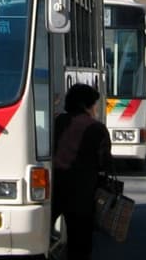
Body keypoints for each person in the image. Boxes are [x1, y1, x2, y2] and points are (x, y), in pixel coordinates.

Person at [52, 83, 112, 260]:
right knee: (80, 243)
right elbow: (104, 163)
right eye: (94, 104)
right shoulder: (96, 128)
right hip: (83, 192)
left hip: (55, 187)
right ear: (87, 105)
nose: (96, 108)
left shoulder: (57, 122)